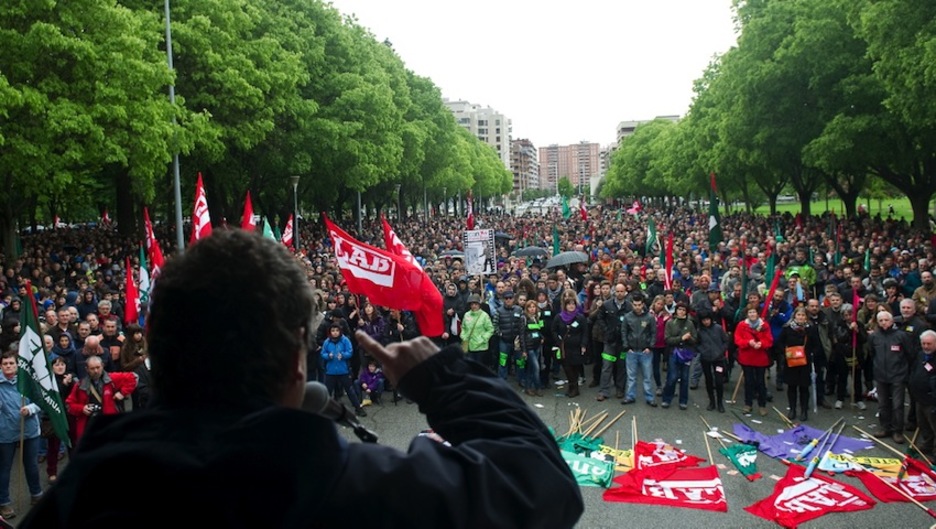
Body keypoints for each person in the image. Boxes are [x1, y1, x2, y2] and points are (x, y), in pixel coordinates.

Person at [22, 230, 584, 528]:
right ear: (298, 360)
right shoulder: (361, 491)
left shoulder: (76, 499)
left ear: (158, 353)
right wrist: (443, 381)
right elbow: (544, 487)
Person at [0, 351, 43, 520]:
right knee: (5, 467)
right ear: (1, 366)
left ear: (17, 365)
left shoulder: (27, 380)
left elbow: (40, 401)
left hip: (29, 429)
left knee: (31, 465)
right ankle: (3, 501)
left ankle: (36, 493)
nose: (9, 366)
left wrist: (30, 409)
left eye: (11, 363)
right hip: (5, 431)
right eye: (5, 364)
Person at [65, 355, 137, 441]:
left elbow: (134, 377)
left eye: (98, 367)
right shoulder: (80, 385)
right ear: (86, 369)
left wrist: (122, 393)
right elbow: (69, 405)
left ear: (102, 366)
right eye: (92, 368)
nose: (96, 371)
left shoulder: (112, 379)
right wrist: (82, 408)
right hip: (89, 426)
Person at [868, 310, 915, 443]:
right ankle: (885, 427)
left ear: (892, 321)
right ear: (878, 322)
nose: (884, 323)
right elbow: (872, 353)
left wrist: (903, 371)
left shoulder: (901, 336)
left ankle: (897, 431)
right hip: (881, 376)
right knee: (883, 404)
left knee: (897, 405)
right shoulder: (874, 337)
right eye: (881, 320)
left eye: (886, 320)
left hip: (898, 376)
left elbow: (910, 354)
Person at [778, 308, 817, 422]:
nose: (800, 317)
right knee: (792, 387)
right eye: (798, 315)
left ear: (806, 317)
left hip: (805, 362)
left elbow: (817, 345)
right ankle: (792, 409)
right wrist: (786, 353)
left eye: (803, 315)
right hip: (791, 362)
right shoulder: (787, 329)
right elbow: (779, 343)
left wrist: (810, 354)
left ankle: (804, 411)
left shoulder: (811, 329)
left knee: (804, 388)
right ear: (794, 316)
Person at [735, 304, 774, 416]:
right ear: (747, 314)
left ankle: (762, 405)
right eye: (750, 312)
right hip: (747, 357)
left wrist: (761, 344)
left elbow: (769, 340)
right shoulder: (741, 325)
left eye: (754, 312)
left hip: (760, 358)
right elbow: (738, 340)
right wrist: (748, 343)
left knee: (761, 382)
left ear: (757, 314)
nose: (752, 314)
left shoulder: (764, 325)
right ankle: (748, 404)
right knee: (748, 382)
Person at [321, 322, 366, 417]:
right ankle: (325, 410)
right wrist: (328, 356)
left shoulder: (345, 340)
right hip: (330, 371)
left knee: (350, 391)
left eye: (337, 330)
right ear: (330, 332)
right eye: (333, 331)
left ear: (340, 331)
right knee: (328, 391)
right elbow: (323, 353)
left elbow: (350, 351)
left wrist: (344, 355)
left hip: (343, 370)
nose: (335, 333)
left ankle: (358, 408)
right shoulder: (327, 342)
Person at [620, 294, 656, 406]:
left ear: (643, 304)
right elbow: (624, 332)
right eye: (635, 305)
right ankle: (630, 396)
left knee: (647, 376)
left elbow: (654, 333)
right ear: (632, 305)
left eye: (639, 305)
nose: (637, 307)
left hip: (645, 351)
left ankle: (650, 398)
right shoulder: (627, 317)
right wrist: (626, 346)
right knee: (631, 376)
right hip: (631, 351)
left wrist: (650, 346)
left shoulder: (649, 317)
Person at [662, 303, 698, 410]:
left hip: (686, 353)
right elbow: (668, 339)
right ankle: (667, 398)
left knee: (685, 378)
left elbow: (695, 340)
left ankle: (683, 401)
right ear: (676, 311)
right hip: (674, 352)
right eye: (679, 309)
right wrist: (681, 338)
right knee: (672, 377)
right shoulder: (670, 323)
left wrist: (689, 338)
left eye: (683, 310)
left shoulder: (690, 324)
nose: (681, 312)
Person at [908, 330, 936, 461]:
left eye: (929, 344)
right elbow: (914, 370)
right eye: (923, 343)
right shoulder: (920, 355)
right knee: (923, 424)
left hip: (931, 399)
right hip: (919, 397)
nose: (926, 346)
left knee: (934, 425)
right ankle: (927, 445)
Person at [553, 299, 588, 398]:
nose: (571, 306)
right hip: (564, 347)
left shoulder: (580, 317)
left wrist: (583, 345)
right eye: (569, 304)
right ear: (565, 306)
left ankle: (574, 388)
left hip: (577, 347)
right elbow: (554, 330)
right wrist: (558, 340)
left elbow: (585, 332)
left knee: (575, 367)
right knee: (567, 367)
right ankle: (572, 386)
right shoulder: (559, 317)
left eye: (573, 304)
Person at [696, 311, 729, 413]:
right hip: (705, 358)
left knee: (719, 381)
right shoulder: (699, 331)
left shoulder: (718, 328)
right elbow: (697, 344)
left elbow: (726, 341)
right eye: (704, 320)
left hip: (718, 359)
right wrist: (702, 350)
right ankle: (712, 402)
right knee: (708, 380)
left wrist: (721, 351)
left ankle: (720, 402)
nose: (706, 322)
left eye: (707, 319)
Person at [517, 300, 544, 396]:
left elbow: (539, 330)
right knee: (536, 367)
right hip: (529, 347)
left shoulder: (537, 317)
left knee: (530, 368)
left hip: (537, 345)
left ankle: (528, 387)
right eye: (530, 307)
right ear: (527, 308)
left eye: (534, 307)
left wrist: (541, 337)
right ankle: (538, 387)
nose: (532, 309)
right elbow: (522, 335)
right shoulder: (523, 318)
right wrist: (524, 350)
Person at [459, 294, 494, 367]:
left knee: (479, 367)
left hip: (480, 347)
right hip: (469, 345)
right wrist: (463, 336)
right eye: (472, 304)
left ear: (479, 305)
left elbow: (490, 329)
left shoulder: (484, 315)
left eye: (476, 304)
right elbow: (463, 327)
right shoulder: (466, 315)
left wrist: (483, 338)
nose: (474, 306)